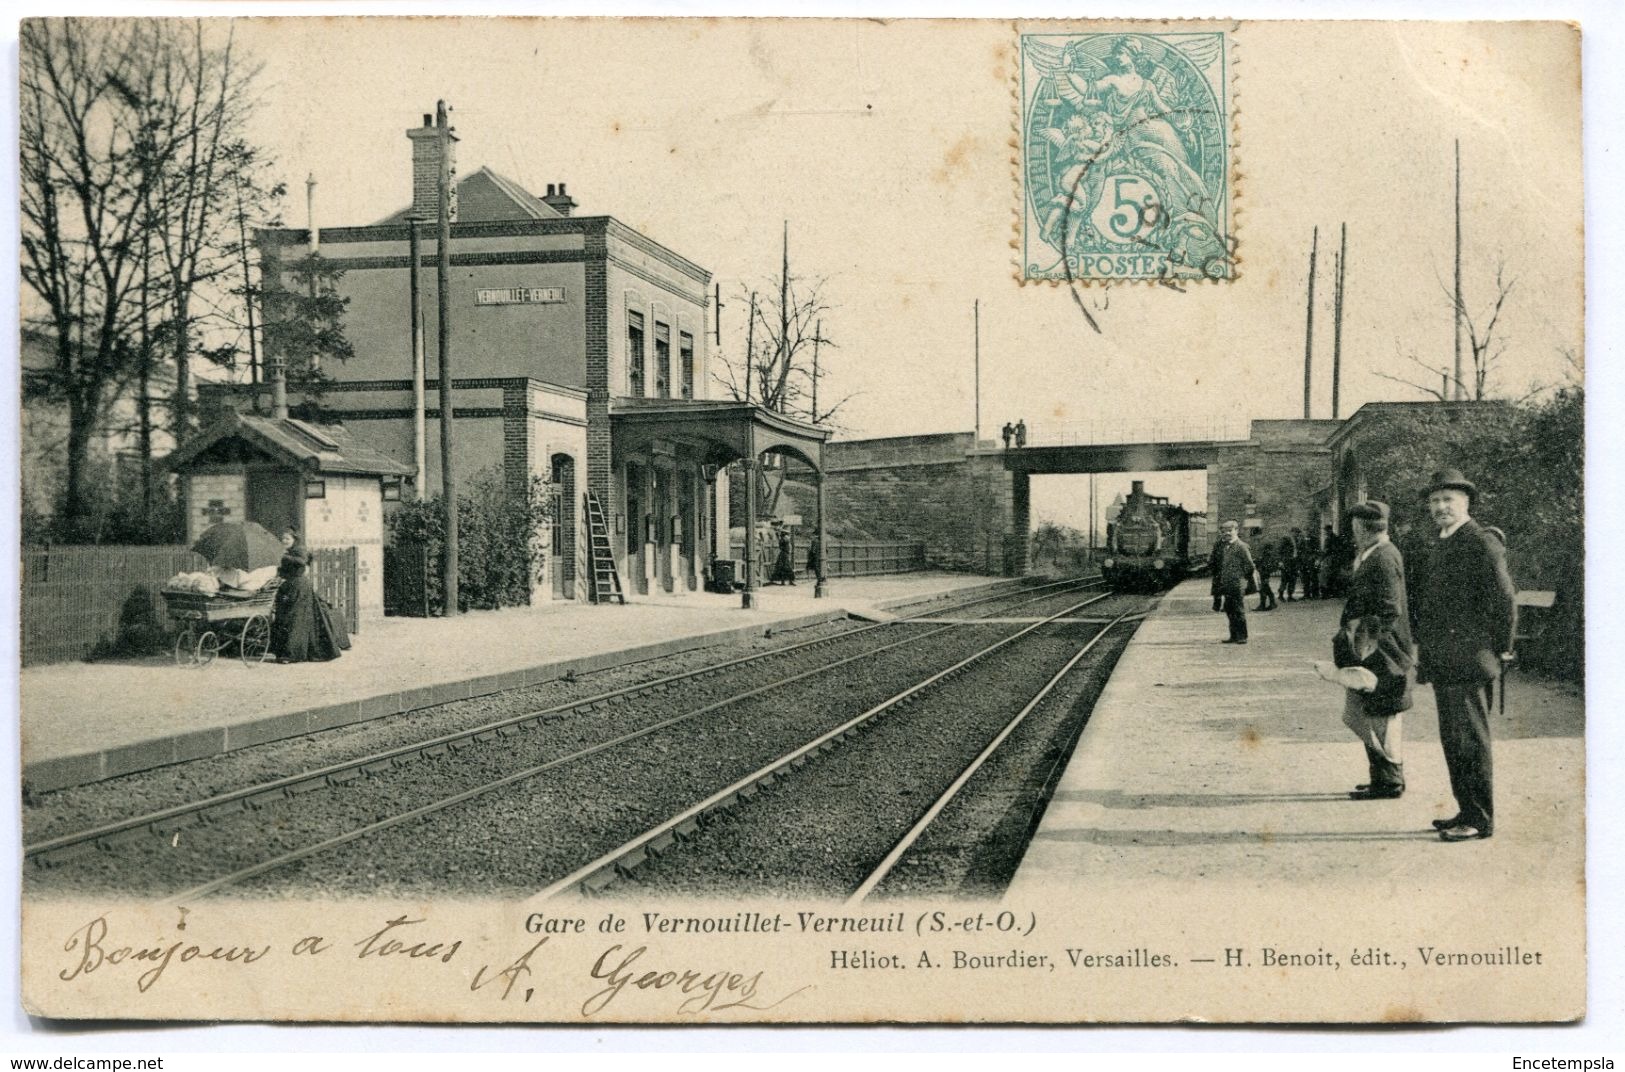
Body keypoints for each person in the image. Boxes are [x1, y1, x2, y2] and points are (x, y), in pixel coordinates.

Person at [1408, 468, 1516, 842]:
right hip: (1445, 660)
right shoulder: (1442, 541)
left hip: (1470, 659)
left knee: (1469, 741)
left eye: (1448, 500)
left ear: (1466, 502)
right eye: (1435, 501)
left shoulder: (1480, 541)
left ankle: (1480, 819)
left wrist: (1501, 650)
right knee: (1454, 740)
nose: (1440, 507)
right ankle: (1466, 810)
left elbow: (1504, 599)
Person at [1336, 501, 1414, 800]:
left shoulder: (1382, 557)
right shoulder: (1375, 554)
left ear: (1360, 528)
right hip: (1375, 650)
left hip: (1382, 653)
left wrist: (1364, 644)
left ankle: (1389, 782)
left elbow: (1390, 611)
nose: (1353, 532)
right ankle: (1384, 777)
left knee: (1381, 716)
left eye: (1355, 527)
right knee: (1363, 714)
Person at [270, 544, 349, 663]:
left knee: (296, 619)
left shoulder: (299, 551)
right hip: (288, 587)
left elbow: (302, 563)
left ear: (294, 540)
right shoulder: (285, 553)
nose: (284, 540)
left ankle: (292, 654)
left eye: (288, 538)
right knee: (284, 619)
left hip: (300, 588)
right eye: (283, 538)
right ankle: (285, 652)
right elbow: (282, 571)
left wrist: (285, 556)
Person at [1208, 520, 1256, 644]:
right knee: (1229, 609)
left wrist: (1240, 577)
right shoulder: (1224, 546)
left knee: (1238, 610)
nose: (1227, 533)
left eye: (1230, 531)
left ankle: (1242, 636)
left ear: (1236, 531)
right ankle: (1233, 636)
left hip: (1237, 583)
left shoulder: (1241, 546)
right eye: (1224, 531)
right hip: (1226, 584)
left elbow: (1250, 566)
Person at [1255, 533, 1278, 611]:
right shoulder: (1264, 542)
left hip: (1264, 568)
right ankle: (1272, 603)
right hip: (1264, 568)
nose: (1255, 539)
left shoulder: (1263, 543)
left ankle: (1263, 604)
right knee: (1265, 586)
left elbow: (1265, 557)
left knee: (1263, 586)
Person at [1278, 533, 1301, 602]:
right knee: (1289, 580)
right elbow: (1281, 551)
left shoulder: (1295, 541)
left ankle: (1284, 595)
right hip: (1289, 563)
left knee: (1287, 580)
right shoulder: (1289, 543)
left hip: (1289, 564)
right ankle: (1286, 596)